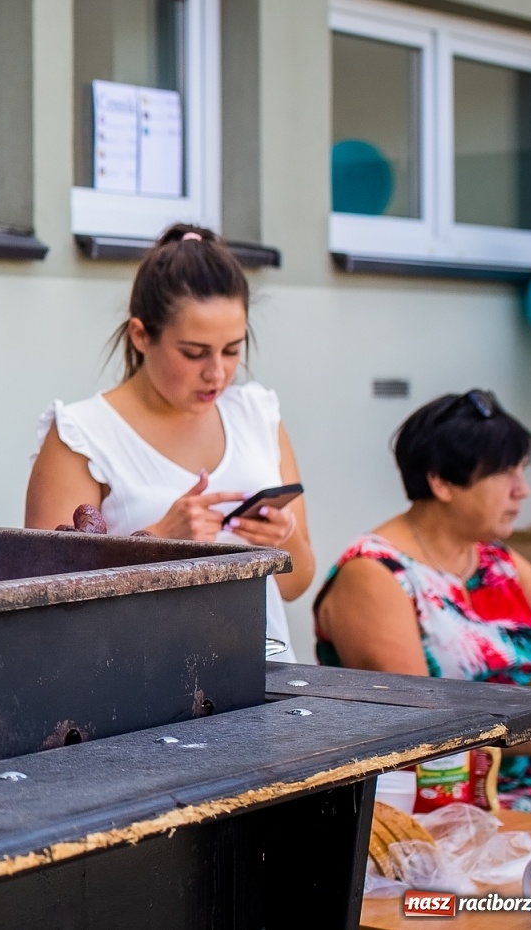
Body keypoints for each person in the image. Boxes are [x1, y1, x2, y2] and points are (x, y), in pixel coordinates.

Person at [23, 225, 315, 660]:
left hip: (267, 682)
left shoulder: (258, 414)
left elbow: (295, 585)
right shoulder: (81, 434)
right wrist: (160, 539)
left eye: (233, 350)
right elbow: (46, 604)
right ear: (141, 336)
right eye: (195, 353)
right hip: (144, 689)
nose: (216, 373)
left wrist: (282, 539)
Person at [314, 390, 531, 808]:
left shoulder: (493, 558)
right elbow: (427, 729)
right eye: (505, 473)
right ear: (442, 481)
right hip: (443, 803)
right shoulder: (374, 571)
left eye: (522, 470)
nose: (522, 490)